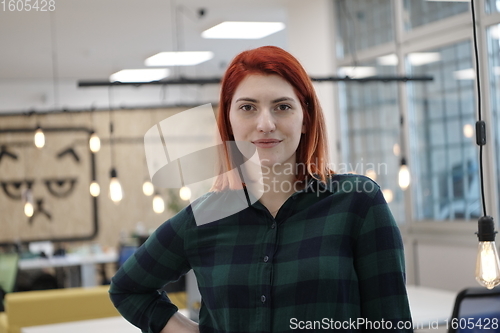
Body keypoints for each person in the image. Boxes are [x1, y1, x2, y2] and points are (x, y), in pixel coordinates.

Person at [109, 46, 413, 333]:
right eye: (247, 108)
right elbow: (128, 288)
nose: (265, 123)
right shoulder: (204, 216)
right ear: (228, 121)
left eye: (282, 106)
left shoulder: (358, 203)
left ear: (305, 118)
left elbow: (391, 322)